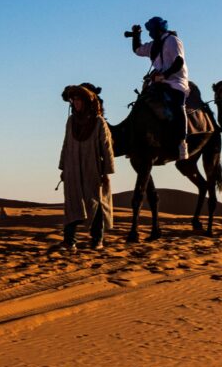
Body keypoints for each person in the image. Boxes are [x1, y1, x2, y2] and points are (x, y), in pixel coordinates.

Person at [58, 83, 115, 251]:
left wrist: (107, 172)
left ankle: (97, 240)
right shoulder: (71, 121)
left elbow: (107, 148)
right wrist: (63, 168)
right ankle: (69, 241)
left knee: (95, 203)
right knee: (72, 204)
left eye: (79, 99)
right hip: (72, 168)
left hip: (93, 168)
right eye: (73, 100)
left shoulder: (98, 122)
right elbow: (66, 144)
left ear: (86, 101)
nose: (75, 103)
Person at [126, 16, 190, 158]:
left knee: (178, 106)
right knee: (141, 103)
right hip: (157, 83)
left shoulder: (173, 41)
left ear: (158, 30)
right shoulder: (154, 45)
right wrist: (136, 35)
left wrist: (165, 75)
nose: (149, 33)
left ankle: (182, 142)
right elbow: (137, 50)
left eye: (151, 30)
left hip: (175, 82)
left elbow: (179, 62)